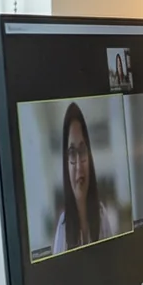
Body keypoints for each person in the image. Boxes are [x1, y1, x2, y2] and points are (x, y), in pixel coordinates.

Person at [52, 102, 118, 251]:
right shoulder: (63, 227)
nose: (79, 166)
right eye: (72, 153)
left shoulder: (102, 216)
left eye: (82, 151)